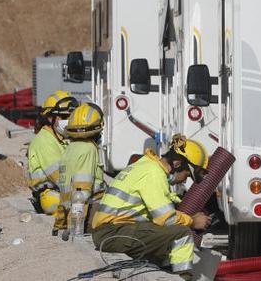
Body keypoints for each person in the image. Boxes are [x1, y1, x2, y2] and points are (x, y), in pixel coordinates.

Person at [91, 135, 210, 280]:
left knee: (162, 237)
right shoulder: (154, 174)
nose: (185, 180)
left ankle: (163, 269)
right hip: (112, 233)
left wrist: (180, 203)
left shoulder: (146, 165)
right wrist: (192, 221)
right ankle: (182, 277)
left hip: (110, 231)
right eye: (187, 174)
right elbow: (167, 219)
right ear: (177, 164)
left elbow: (161, 198)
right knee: (181, 234)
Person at [54, 103, 106, 238]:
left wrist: (60, 223)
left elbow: (64, 194)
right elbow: (80, 193)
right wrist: (75, 229)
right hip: (90, 214)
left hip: (69, 212)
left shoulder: (70, 149)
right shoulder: (88, 149)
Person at [26, 91, 76, 215]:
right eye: (64, 117)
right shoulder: (44, 141)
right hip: (51, 195)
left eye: (71, 116)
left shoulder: (63, 139)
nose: (69, 120)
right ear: (50, 117)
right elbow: (61, 178)